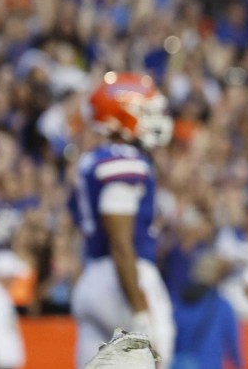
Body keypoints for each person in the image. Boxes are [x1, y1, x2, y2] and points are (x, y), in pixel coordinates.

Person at [71, 72, 176, 366]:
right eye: (146, 111)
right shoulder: (124, 160)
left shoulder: (92, 160)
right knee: (157, 358)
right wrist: (140, 311)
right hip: (124, 280)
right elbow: (120, 241)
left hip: (94, 276)